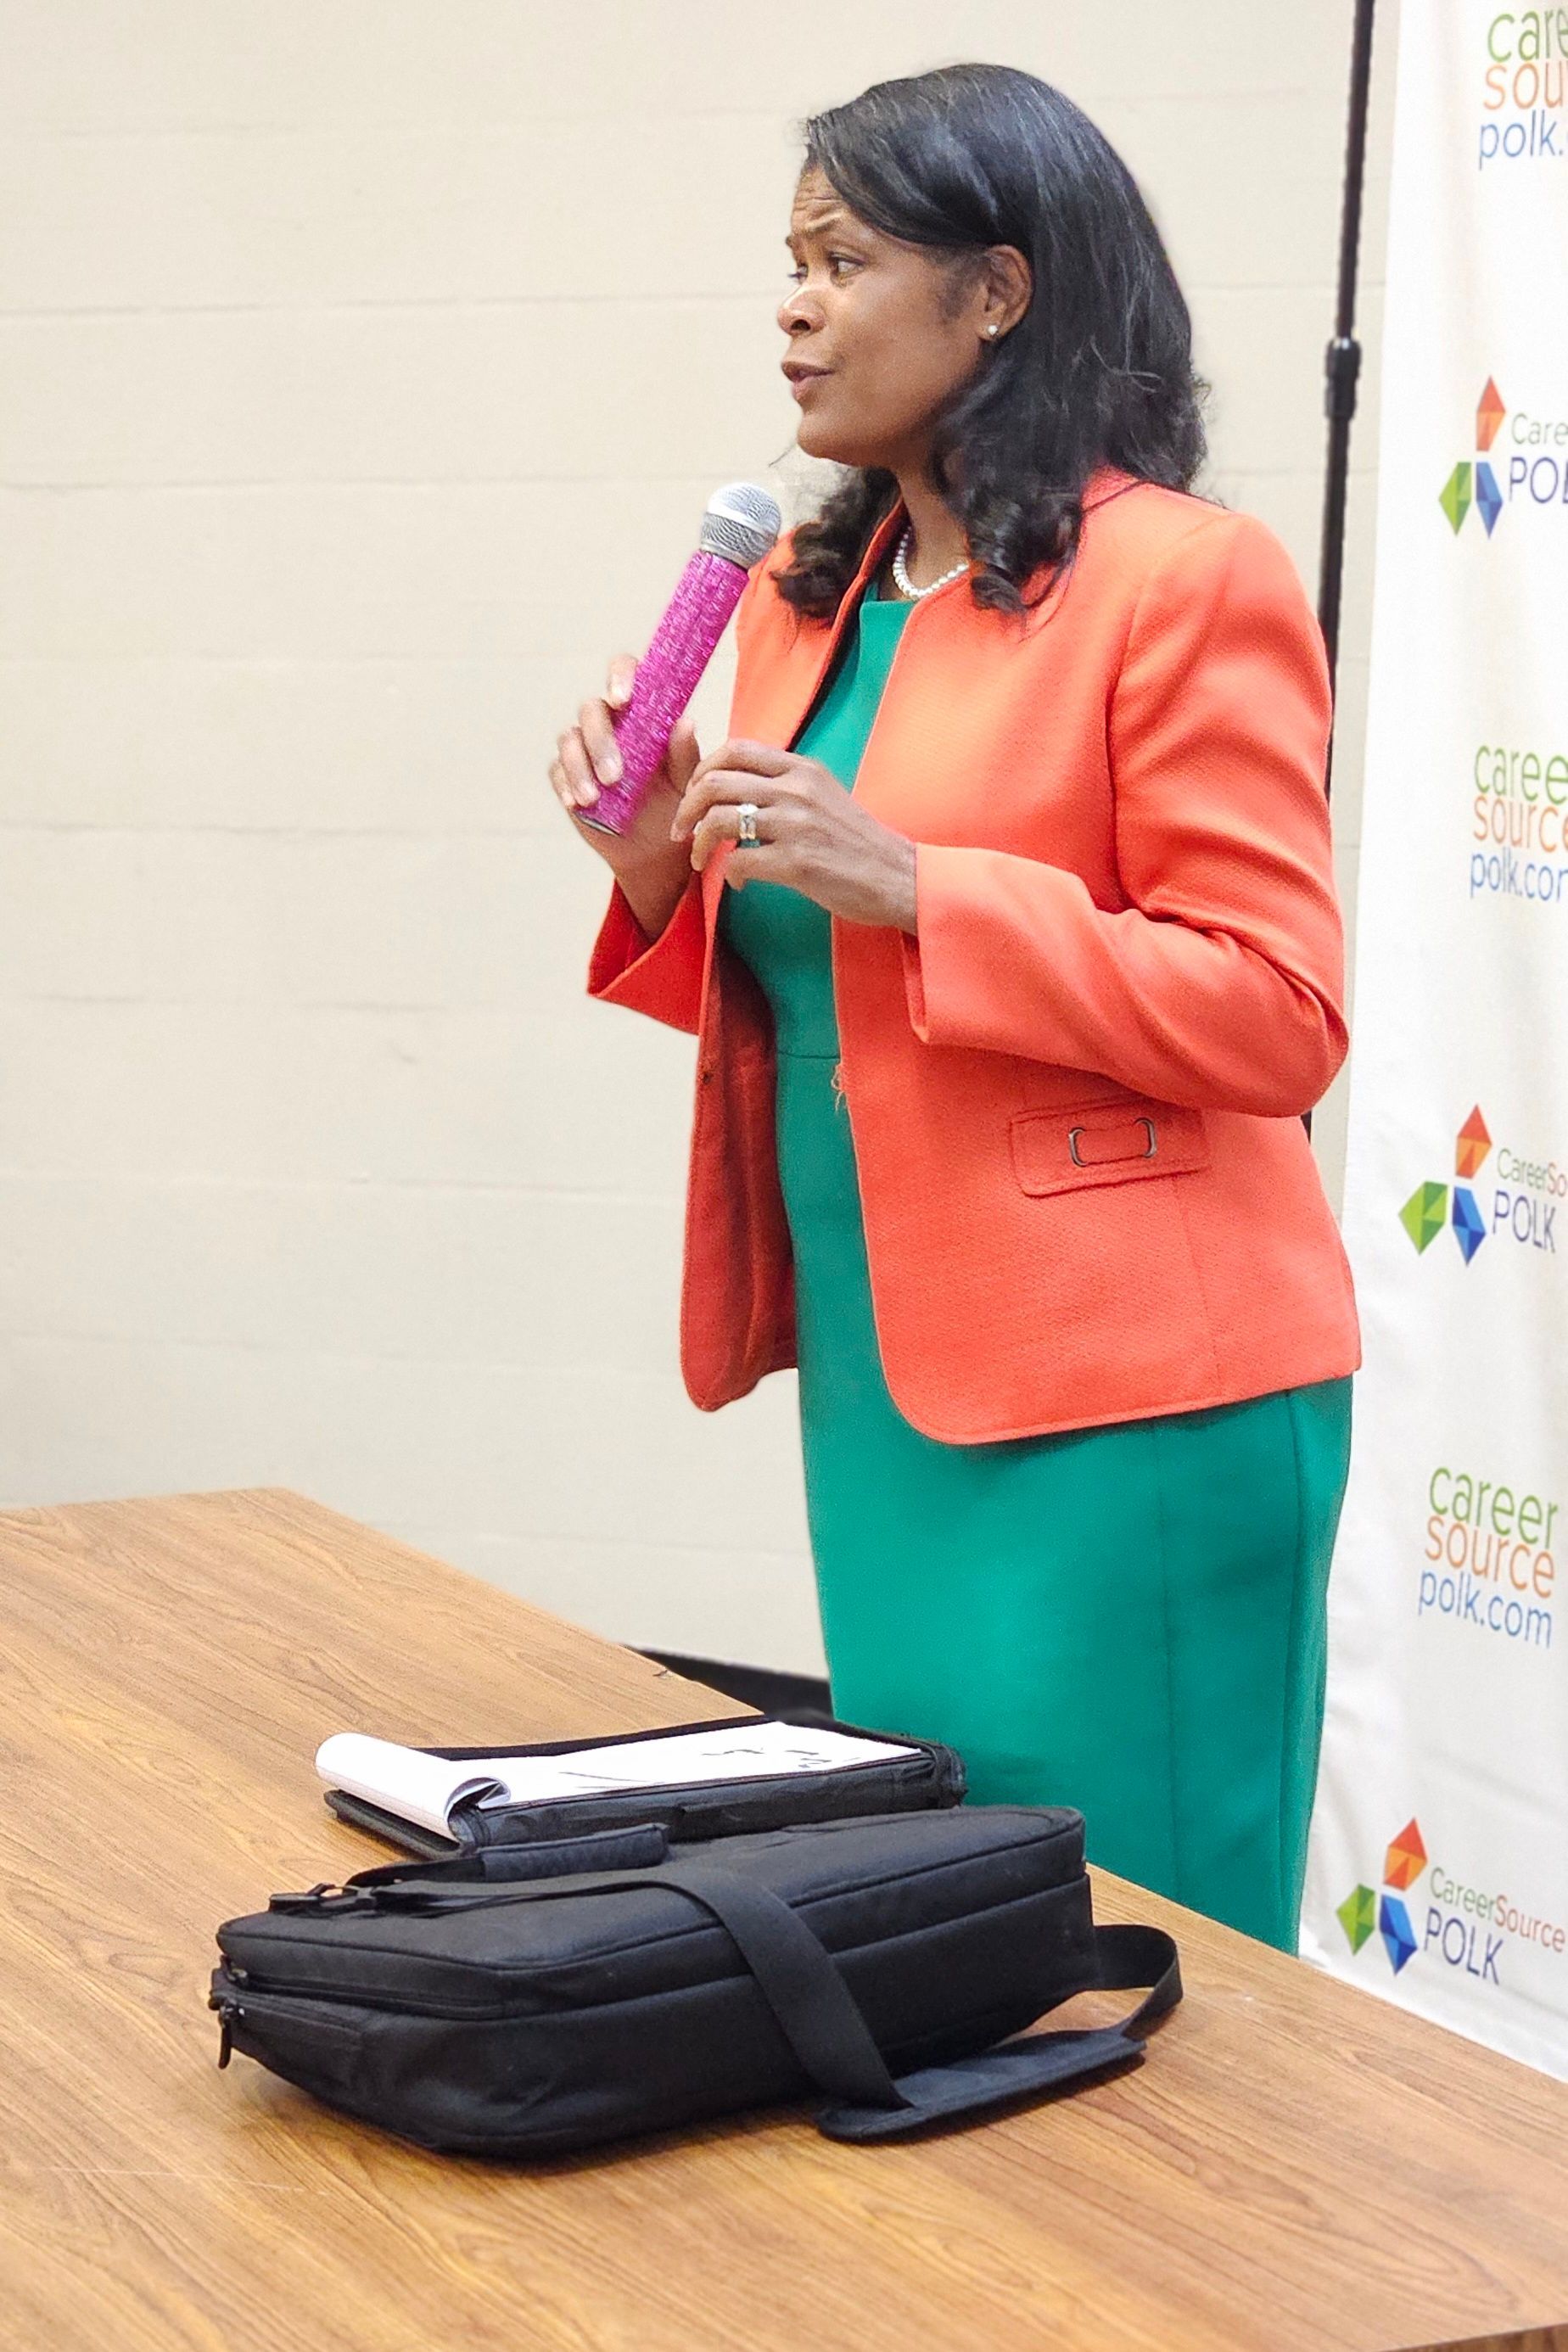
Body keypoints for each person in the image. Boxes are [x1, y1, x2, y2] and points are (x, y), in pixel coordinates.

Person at [547, 62, 1359, 1954]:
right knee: (967, 1953)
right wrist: (660, 857)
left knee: (1147, 1961)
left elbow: (1281, 1012)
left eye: (842, 260)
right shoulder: (803, 601)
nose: (794, 305)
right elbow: (817, 994)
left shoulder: (1181, 580)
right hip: (898, 1393)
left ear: (997, 294)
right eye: (791, 261)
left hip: (1134, 1411)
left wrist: (925, 887)